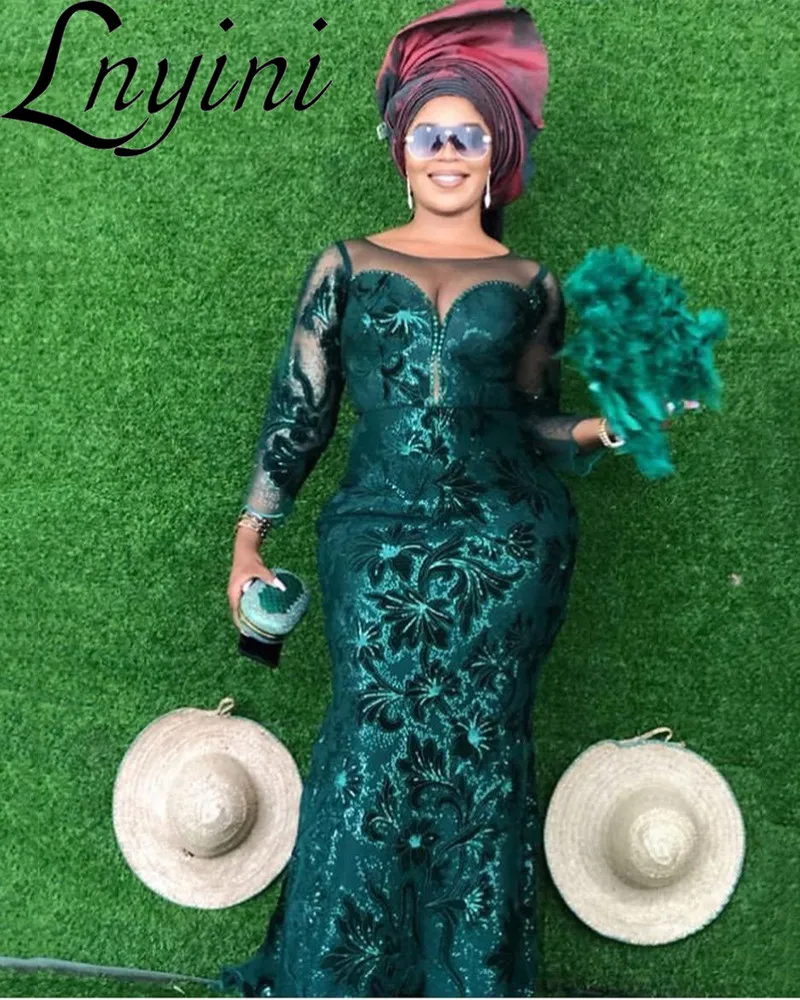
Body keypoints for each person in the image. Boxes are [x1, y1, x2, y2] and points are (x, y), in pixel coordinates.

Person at [220, 1, 644, 995]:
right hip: (373, 550)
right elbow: (299, 412)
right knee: (372, 742)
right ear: (401, 152)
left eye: (468, 137)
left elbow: (532, 423)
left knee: (478, 752)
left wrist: (598, 429)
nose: (448, 152)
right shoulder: (346, 266)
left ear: (494, 157)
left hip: (507, 550)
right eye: (429, 135)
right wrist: (250, 538)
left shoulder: (532, 282)